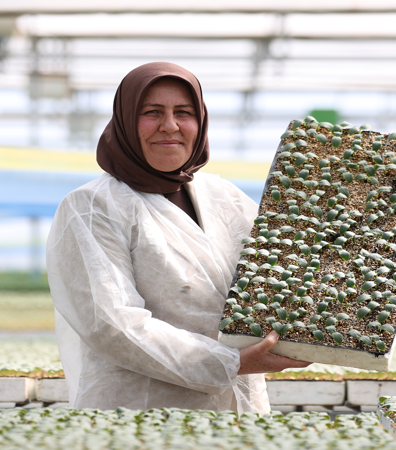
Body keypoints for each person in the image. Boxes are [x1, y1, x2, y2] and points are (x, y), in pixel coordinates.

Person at [46, 62, 310, 413]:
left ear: (200, 121)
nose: (169, 126)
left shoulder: (225, 198)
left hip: (237, 407)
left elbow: (280, 276)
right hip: (138, 412)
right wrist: (232, 362)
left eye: (183, 113)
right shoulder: (93, 206)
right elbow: (113, 326)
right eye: (151, 112)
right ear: (125, 120)